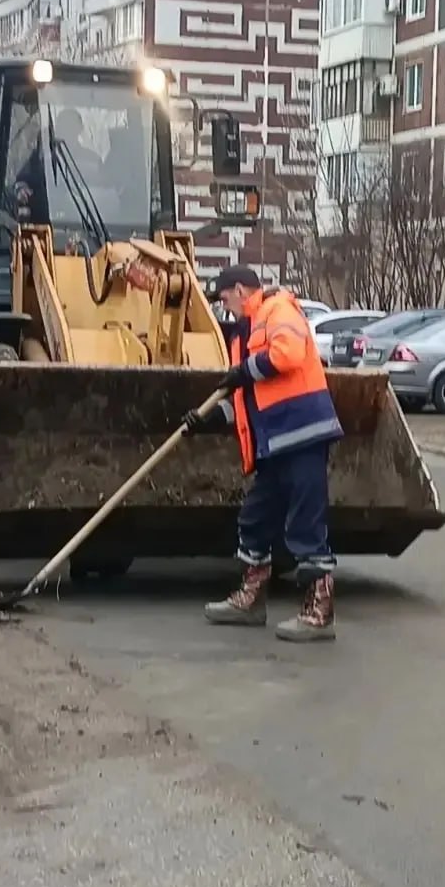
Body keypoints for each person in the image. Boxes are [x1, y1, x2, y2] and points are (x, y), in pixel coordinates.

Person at [181, 266, 344, 643]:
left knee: (305, 524)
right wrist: (208, 419)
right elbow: (249, 398)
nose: (225, 307)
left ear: (240, 289)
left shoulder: (277, 309)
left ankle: (319, 614)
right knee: (254, 518)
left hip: (302, 434)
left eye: (225, 299)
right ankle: (250, 601)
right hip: (274, 443)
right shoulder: (244, 332)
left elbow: (287, 355)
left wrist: (245, 370)